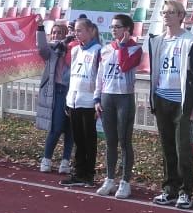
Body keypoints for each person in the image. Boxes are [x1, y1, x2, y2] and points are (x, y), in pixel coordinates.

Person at [148, 0, 193, 210]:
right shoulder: (157, 41)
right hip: (161, 98)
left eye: (171, 12)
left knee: (183, 148)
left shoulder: (191, 42)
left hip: (182, 102)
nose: (166, 15)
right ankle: (169, 188)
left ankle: (185, 191)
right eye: (164, 12)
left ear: (181, 16)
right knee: (167, 148)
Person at [94, 13, 143, 199]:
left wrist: (122, 45)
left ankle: (125, 181)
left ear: (127, 29)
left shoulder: (135, 49)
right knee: (110, 141)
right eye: (112, 26)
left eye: (117, 27)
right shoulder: (106, 49)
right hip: (107, 97)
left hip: (124, 98)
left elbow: (124, 66)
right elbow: (99, 75)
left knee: (124, 140)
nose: (113, 29)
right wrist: (96, 99)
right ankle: (109, 178)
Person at [60, 18, 102, 187]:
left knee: (89, 139)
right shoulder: (76, 49)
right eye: (75, 30)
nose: (77, 34)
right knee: (78, 138)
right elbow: (72, 76)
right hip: (74, 100)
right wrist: (68, 99)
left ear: (91, 31)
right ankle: (79, 172)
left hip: (89, 101)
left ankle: (89, 174)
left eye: (80, 30)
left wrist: (97, 99)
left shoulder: (98, 50)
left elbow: (99, 77)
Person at [36, 20, 74, 175]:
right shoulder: (52, 49)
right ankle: (46, 158)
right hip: (57, 91)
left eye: (60, 32)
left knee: (70, 129)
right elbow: (41, 48)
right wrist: (40, 28)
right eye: (54, 32)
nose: (57, 35)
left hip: (72, 91)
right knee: (56, 127)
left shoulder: (73, 48)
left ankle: (65, 161)